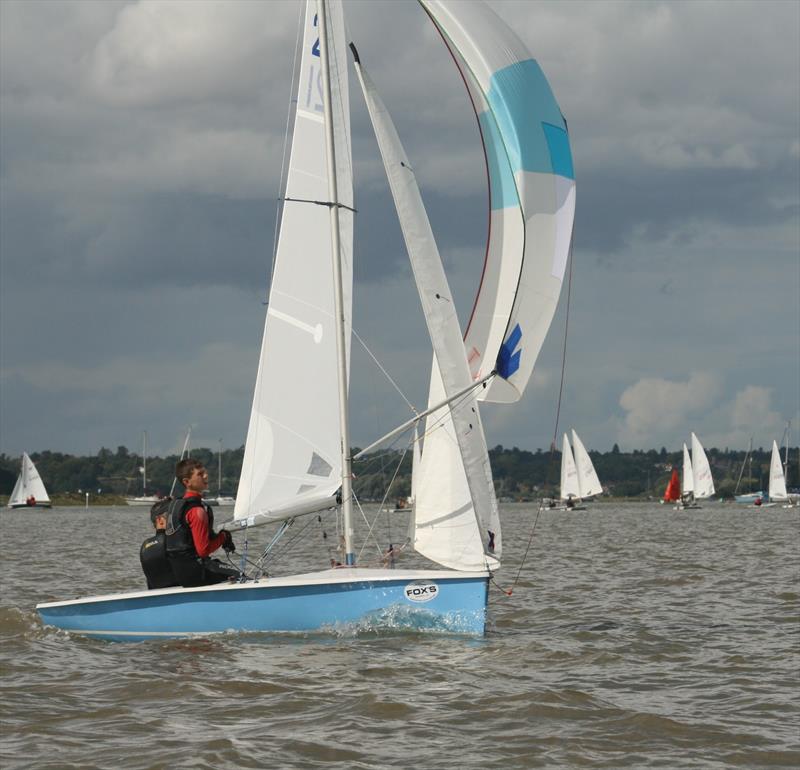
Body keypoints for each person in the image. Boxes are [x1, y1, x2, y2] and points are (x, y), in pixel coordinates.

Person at [164, 458, 240, 587]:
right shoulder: (197, 511)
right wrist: (224, 537)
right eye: (200, 474)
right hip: (197, 572)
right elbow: (203, 551)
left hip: (180, 572)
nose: (206, 476)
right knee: (239, 576)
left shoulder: (175, 505)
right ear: (187, 482)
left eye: (204, 472)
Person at [140, 499, 179, 590]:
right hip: (184, 597)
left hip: (157, 597)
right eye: (174, 516)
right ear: (160, 521)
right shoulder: (177, 542)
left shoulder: (146, 546)